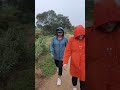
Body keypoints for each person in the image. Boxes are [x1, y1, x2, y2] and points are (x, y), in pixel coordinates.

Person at [86, 0, 120, 90]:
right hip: (95, 84)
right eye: (104, 20)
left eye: (112, 20)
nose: (108, 24)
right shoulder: (88, 34)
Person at [63, 25, 85, 90]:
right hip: (74, 64)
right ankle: (74, 87)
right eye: (79, 35)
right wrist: (65, 62)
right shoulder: (71, 40)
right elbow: (67, 51)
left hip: (83, 65)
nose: (81, 36)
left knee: (83, 80)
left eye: (82, 34)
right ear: (76, 34)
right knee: (74, 78)